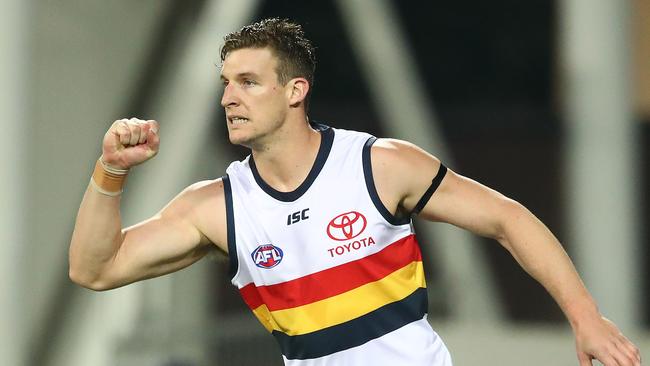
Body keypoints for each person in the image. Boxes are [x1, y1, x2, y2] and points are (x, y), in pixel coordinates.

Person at [69, 18, 641, 366]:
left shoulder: (379, 166)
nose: (228, 98)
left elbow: (506, 217)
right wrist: (110, 170)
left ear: (295, 91)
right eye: (225, 84)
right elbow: (95, 268)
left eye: (247, 82)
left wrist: (584, 316)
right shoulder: (214, 206)